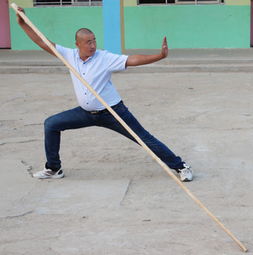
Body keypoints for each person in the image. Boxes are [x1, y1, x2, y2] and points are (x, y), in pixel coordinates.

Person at [16, 7, 193, 182]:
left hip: (113, 112)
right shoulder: (68, 55)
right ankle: (54, 168)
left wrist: (159, 56)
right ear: (77, 44)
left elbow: (132, 60)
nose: (93, 45)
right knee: (51, 124)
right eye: (88, 42)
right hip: (85, 113)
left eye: (94, 41)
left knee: (144, 138)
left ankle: (180, 166)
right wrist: (24, 24)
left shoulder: (104, 58)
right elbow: (43, 42)